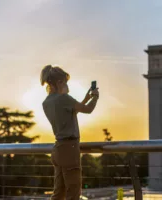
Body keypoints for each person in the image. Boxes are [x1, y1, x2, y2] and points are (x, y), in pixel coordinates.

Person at [40, 64, 99, 200]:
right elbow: (87, 109)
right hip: (70, 149)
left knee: (59, 193)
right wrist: (95, 97)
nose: (68, 86)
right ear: (60, 82)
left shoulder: (47, 102)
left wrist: (86, 98)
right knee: (73, 193)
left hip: (58, 150)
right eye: (66, 83)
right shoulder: (64, 98)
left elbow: (72, 110)